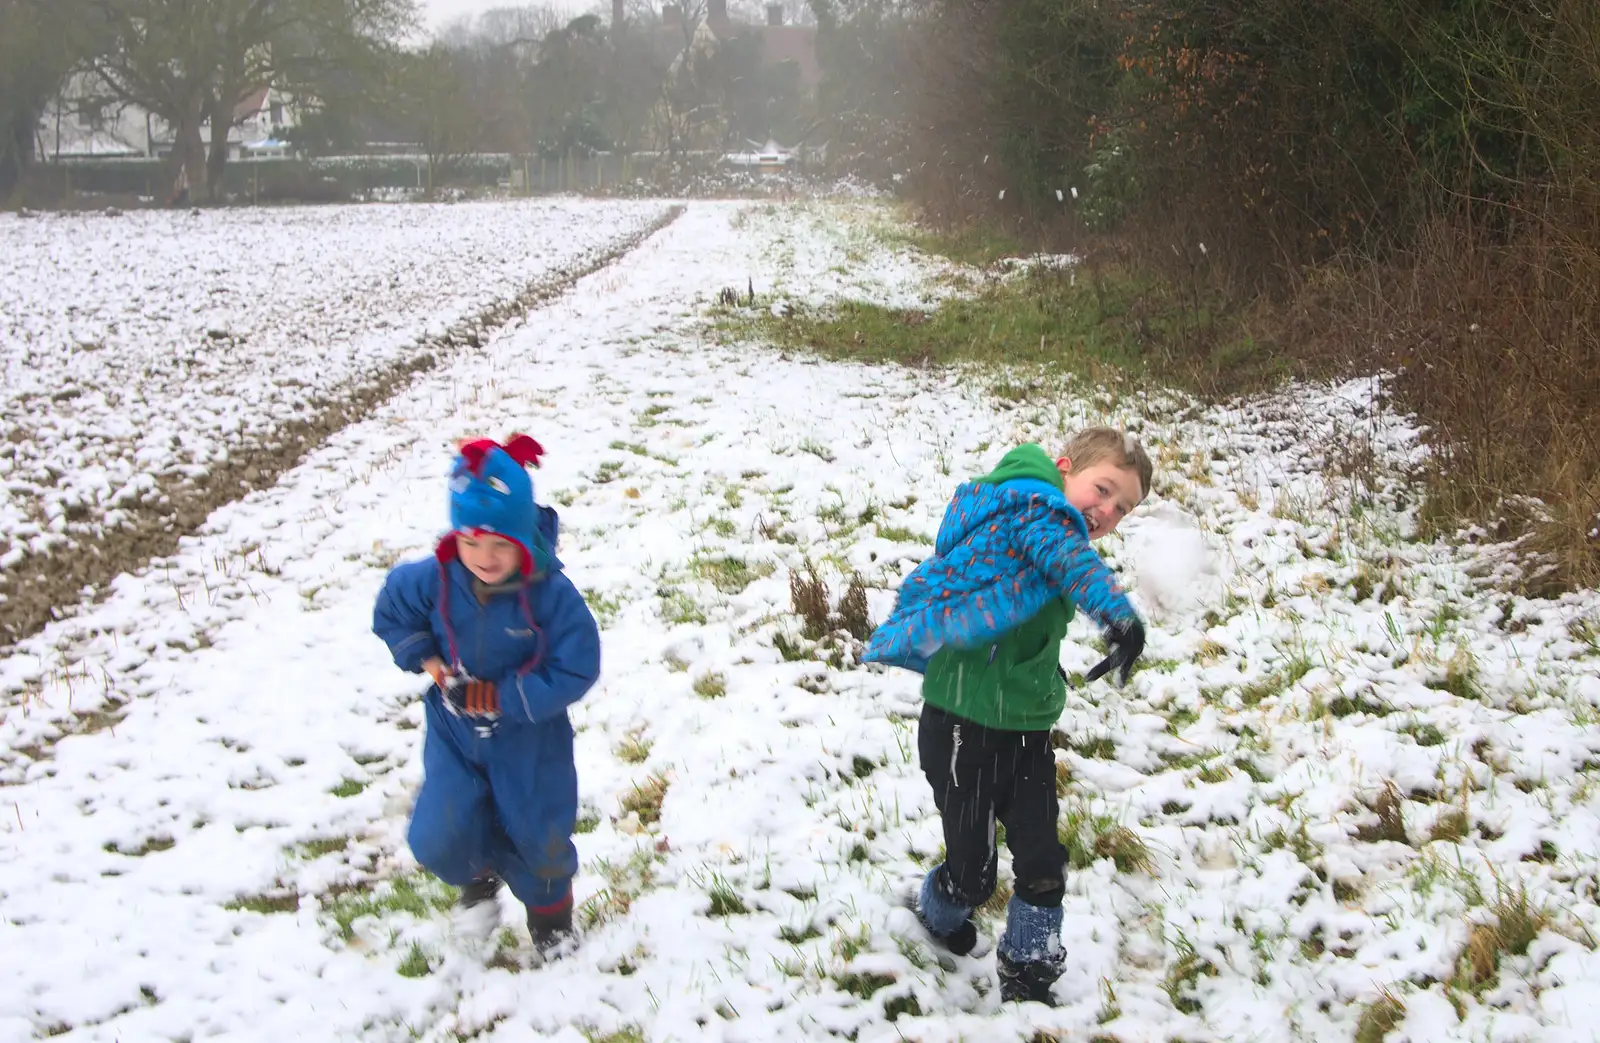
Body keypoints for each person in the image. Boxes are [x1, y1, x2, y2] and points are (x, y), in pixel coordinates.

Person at [862, 428, 1153, 1004]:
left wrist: (1046, 675)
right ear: (1064, 468)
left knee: (1043, 861)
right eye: (1103, 489)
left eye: (1123, 508)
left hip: (1025, 730)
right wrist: (1118, 616)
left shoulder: (1052, 533)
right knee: (973, 875)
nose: (1107, 511)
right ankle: (937, 911)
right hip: (961, 726)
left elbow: (1039, 610)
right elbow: (1068, 558)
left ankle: (1029, 970)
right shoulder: (1030, 507)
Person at [372, 434, 601, 956]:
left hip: (529, 738)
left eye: (501, 544)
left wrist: (505, 695)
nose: (484, 557)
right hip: (455, 734)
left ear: (523, 536)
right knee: (441, 831)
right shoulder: (435, 577)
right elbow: (392, 609)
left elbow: (578, 665)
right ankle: (477, 883)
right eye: (472, 541)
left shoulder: (550, 595)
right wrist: (428, 659)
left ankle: (551, 925)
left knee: (538, 834)